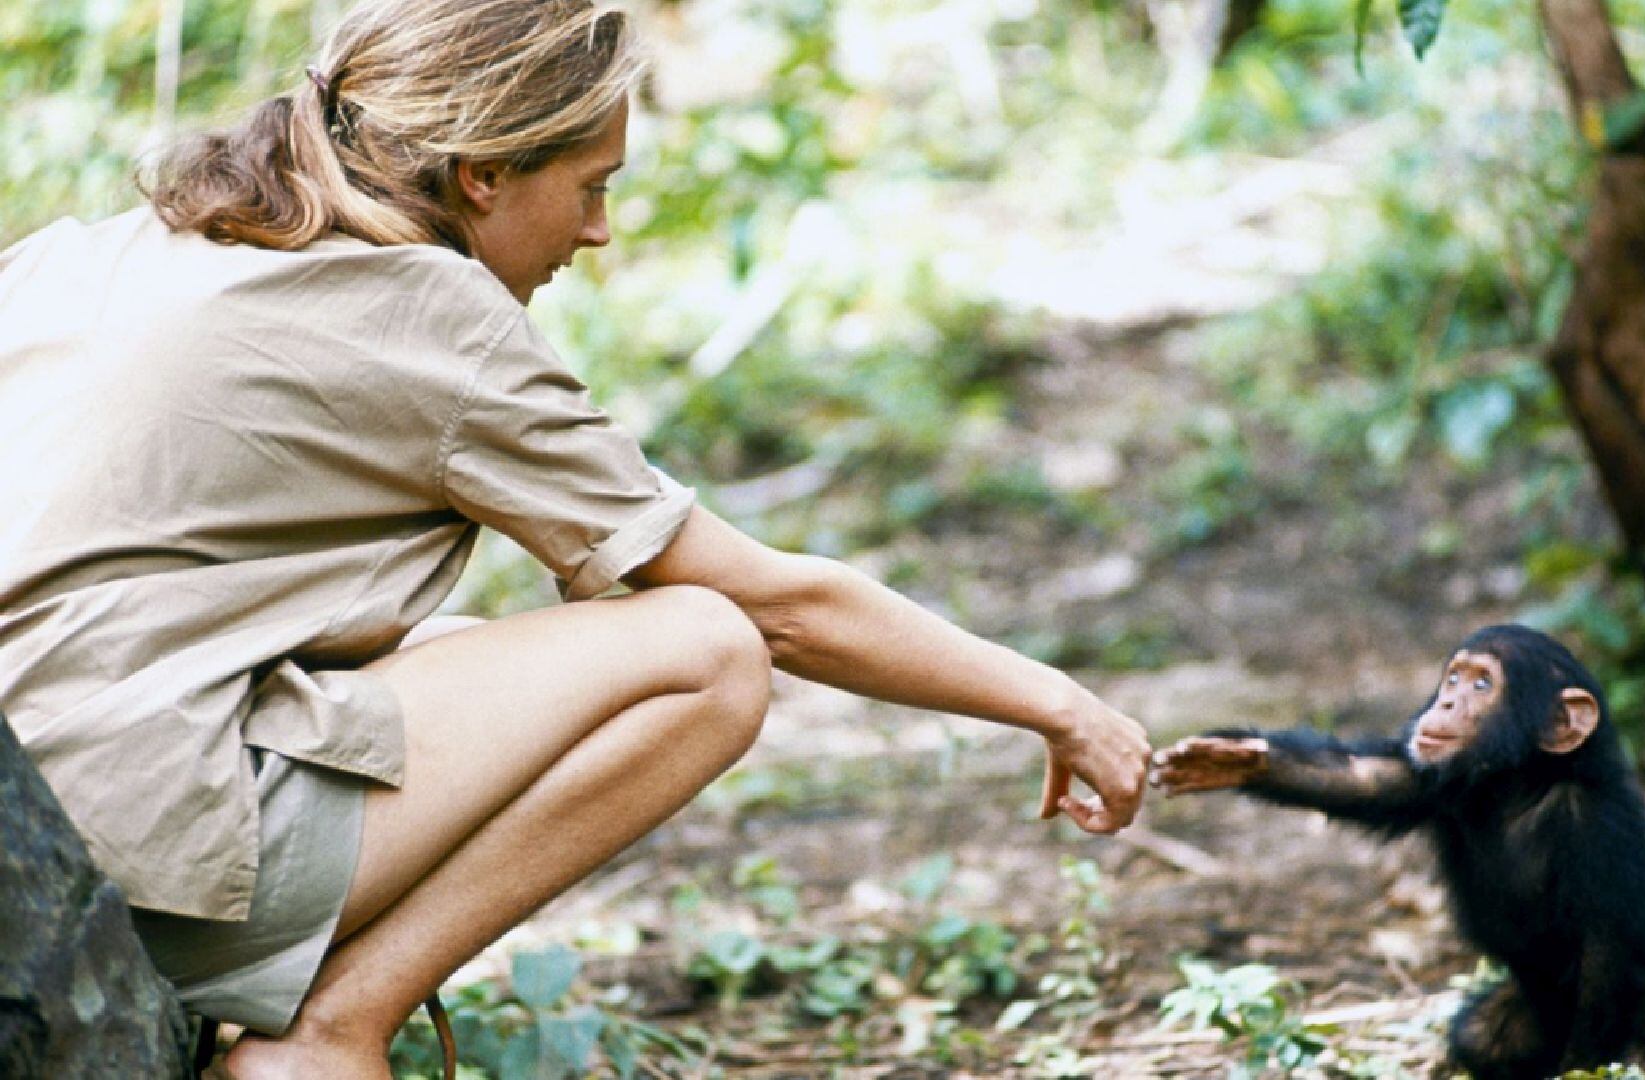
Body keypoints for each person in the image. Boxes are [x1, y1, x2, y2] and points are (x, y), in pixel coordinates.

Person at [0, 2, 1151, 1076]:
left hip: (34, 827)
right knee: (703, 648)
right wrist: (1060, 704)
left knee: (448, 642)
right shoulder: (424, 311)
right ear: (486, 173)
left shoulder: (89, 254)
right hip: (137, 859)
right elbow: (780, 610)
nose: (598, 231)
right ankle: (334, 1034)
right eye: (592, 185)